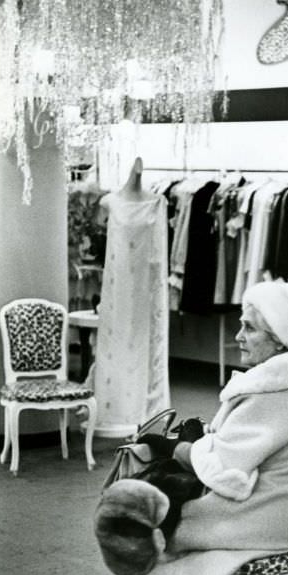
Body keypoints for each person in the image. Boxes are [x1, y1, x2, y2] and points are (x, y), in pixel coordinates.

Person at [95, 280, 288, 575]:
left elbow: (226, 469)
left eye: (249, 328)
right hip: (274, 503)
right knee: (159, 503)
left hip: (258, 514)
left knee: (140, 517)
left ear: (276, 339)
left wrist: (175, 448)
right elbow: (242, 449)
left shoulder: (274, 392)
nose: (238, 336)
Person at [94, 156, 170, 437]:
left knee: (142, 344)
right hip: (117, 283)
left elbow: (159, 251)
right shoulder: (110, 201)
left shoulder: (157, 202)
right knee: (116, 342)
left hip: (145, 288)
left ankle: (143, 408)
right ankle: (115, 407)